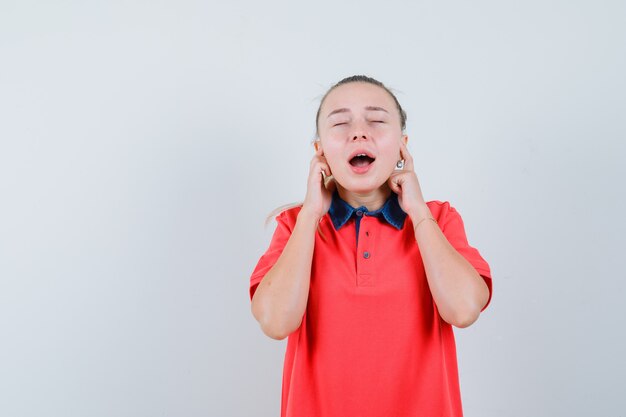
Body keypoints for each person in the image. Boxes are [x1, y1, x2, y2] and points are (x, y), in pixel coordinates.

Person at [248, 75, 493, 417]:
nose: (359, 132)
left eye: (376, 120)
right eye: (341, 122)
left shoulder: (439, 218)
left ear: (402, 146)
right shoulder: (294, 225)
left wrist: (418, 212)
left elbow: (464, 309)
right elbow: (275, 322)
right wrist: (310, 215)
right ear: (320, 151)